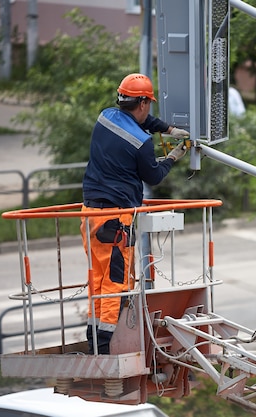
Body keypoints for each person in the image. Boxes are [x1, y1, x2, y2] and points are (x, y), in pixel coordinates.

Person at [81, 73, 190, 354]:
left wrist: (167, 128)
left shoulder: (105, 117)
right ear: (142, 102)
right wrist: (172, 157)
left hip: (90, 214)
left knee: (98, 277)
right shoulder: (141, 143)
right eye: (148, 104)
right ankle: (104, 346)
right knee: (115, 282)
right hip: (117, 218)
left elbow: (140, 122)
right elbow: (152, 176)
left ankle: (94, 339)